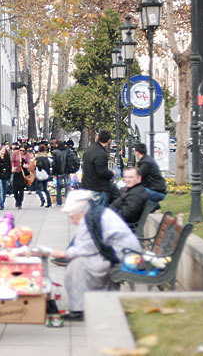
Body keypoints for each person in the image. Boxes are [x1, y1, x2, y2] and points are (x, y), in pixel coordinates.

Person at [51, 190, 141, 321]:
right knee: (79, 264)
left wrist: (63, 253)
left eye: (72, 216)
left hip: (121, 256)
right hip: (122, 253)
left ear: (80, 212)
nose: (71, 221)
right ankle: (101, 302)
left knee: (76, 266)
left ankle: (79, 308)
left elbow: (86, 248)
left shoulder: (91, 219)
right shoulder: (95, 214)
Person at [80, 130, 114, 206]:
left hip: (86, 185)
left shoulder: (89, 150)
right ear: (109, 140)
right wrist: (112, 173)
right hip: (98, 188)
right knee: (98, 214)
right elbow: (101, 172)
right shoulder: (101, 154)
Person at [52, 141, 74, 206]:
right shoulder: (68, 151)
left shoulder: (55, 152)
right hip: (67, 171)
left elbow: (54, 164)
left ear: (57, 145)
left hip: (59, 172)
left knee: (59, 187)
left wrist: (54, 173)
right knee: (67, 186)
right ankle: (67, 202)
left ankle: (59, 202)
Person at [11, 145, 31, 209]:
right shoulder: (16, 153)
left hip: (23, 173)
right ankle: (17, 200)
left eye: (23, 150)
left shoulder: (27, 155)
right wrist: (13, 167)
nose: (21, 152)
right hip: (16, 172)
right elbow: (12, 161)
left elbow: (29, 163)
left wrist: (26, 166)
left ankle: (20, 203)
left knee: (21, 189)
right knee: (15, 189)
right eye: (20, 150)